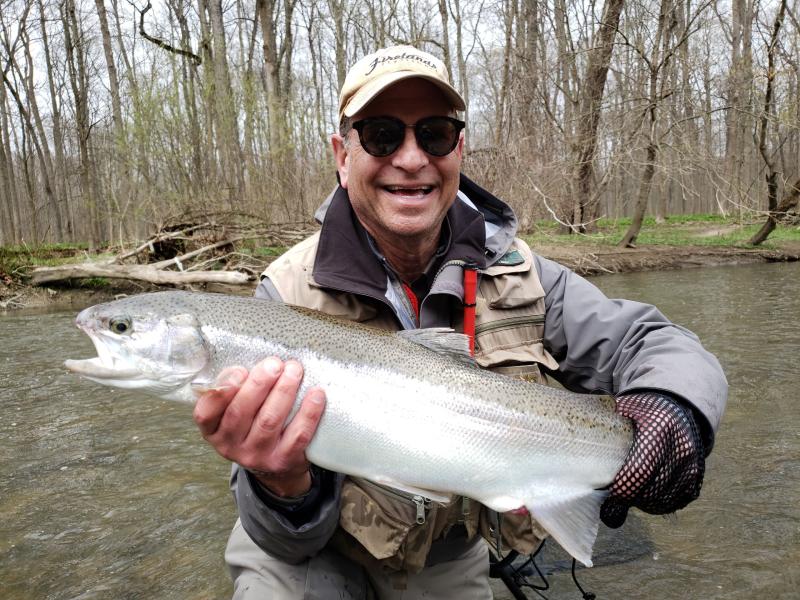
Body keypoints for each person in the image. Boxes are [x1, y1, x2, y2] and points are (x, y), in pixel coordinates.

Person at [193, 45, 727, 599]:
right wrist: (281, 488)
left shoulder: (524, 276)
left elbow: (658, 343)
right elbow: (279, 539)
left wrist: (677, 407)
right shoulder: (281, 296)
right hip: (311, 553)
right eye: (380, 135)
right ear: (342, 154)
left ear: (458, 149)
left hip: (444, 553)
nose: (410, 158)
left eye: (434, 134)